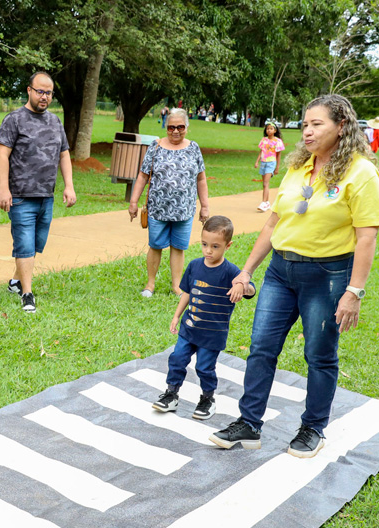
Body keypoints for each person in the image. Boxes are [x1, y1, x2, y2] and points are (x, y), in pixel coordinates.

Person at [211, 94, 379, 458]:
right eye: (305, 124)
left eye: (317, 124)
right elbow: (275, 221)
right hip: (279, 273)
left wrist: (355, 292)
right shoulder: (298, 166)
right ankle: (249, 424)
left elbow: (367, 236)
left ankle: (313, 427)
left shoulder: (361, 171)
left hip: (327, 275)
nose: (307, 131)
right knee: (261, 349)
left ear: (342, 126)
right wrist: (247, 269)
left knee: (319, 355)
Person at [152, 216, 255, 420]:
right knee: (177, 359)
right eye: (204, 244)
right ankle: (171, 394)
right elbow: (187, 293)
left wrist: (242, 285)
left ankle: (208, 399)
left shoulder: (231, 272)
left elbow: (251, 291)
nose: (208, 251)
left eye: (215, 246)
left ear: (228, 246)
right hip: (189, 328)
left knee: (204, 367)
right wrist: (176, 315)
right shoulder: (194, 266)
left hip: (212, 334)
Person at [0, 71, 77, 314]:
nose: (44, 96)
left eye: (48, 93)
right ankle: (27, 294)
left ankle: (15, 281)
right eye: (40, 91)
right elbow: (2, 154)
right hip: (21, 195)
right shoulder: (14, 119)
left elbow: (64, 154)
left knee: (35, 245)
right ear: (29, 90)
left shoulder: (55, 121)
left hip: (46, 196)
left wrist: (69, 185)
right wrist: (3, 188)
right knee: (24, 244)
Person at [128, 108, 209, 297]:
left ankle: (176, 286)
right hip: (158, 209)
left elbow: (201, 179)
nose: (175, 131)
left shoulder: (193, 148)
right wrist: (133, 201)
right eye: (171, 127)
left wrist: (205, 206)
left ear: (187, 127)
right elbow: (142, 176)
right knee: (155, 245)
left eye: (180, 127)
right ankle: (150, 285)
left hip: (184, 209)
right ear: (166, 127)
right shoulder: (155, 146)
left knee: (178, 247)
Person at [254, 122, 285, 211]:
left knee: (265, 183)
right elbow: (261, 151)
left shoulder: (277, 141)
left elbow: (278, 155)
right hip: (263, 162)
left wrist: (277, 167)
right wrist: (257, 161)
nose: (269, 130)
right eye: (267, 128)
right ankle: (267, 202)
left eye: (271, 128)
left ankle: (263, 202)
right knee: (265, 184)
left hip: (271, 163)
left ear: (275, 130)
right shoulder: (264, 140)